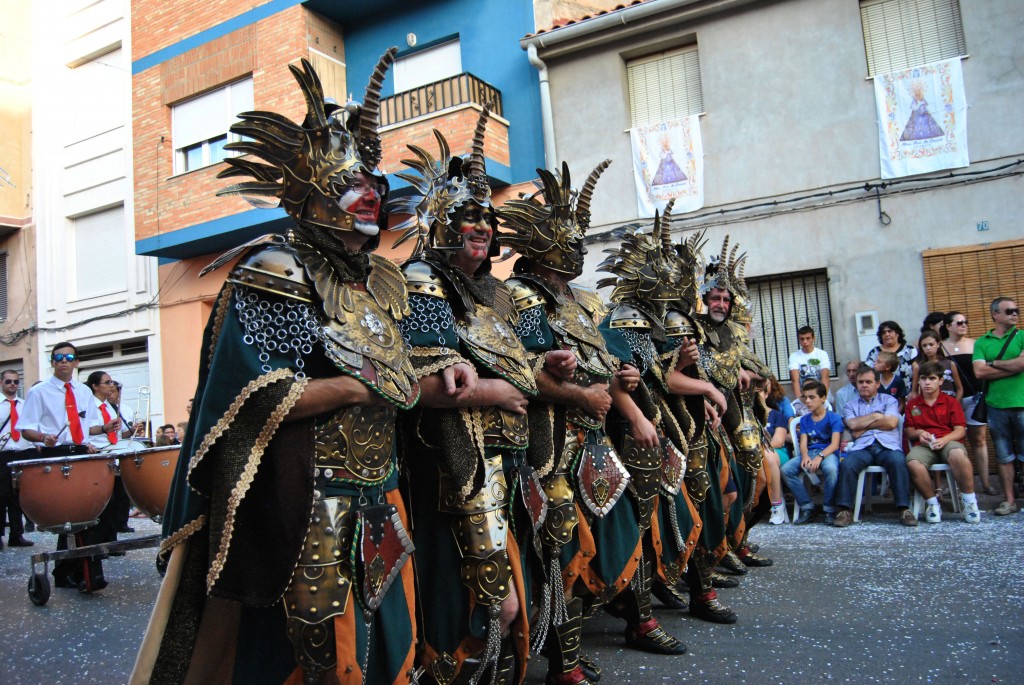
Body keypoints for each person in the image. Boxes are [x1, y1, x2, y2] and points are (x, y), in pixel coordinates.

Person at [132, 52, 422, 685]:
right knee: (311, 653)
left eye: (372, 183)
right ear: (312, 195)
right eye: (351, 185)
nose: (370, 194)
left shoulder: (380, 282)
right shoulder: (276, 271)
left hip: (379, 487)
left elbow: (406, 371)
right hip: (306, 496)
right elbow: (251, 394)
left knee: (384, 634)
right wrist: (351, 385)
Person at [392, 107, 567, 682]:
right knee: (474, 600)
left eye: (487, 218)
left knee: (518, 591)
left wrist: (551, 363)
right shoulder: (422, 277)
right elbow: (435, 372)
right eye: (467, 217)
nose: (482, 227)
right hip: (455, 469)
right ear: (441, 224)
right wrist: (491, 389)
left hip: (510, 459)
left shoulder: (498, 290)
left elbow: (519, 357)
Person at [18, 342, 106, 590]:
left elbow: (88, 427)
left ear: (76, 362)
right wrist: (42, 437)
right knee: (68, 513)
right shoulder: (40, 392)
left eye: (69, 357)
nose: (64, 361)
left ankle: (75, 571)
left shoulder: (84, 392)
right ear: (53, 362)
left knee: (84, 512)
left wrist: (95, 437)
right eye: (59, 357)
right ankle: (73, 571)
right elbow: (26, 429)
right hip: (55, 452)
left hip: (79, 452)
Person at [832, 365, 917, 528]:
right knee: (848, 465)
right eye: (860, 382)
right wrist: (877, 416)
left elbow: (892, 422)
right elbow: (852, 424)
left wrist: (864, 426)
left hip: (887, 446)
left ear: (877, 384)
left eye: (868, 382)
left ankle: (904, 509)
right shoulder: (850, 405)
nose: (864, 385)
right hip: (863, 447)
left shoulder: (889, 400)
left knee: (898, 462)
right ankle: (844, 511)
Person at [904, 361, 981, 524]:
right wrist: (920, 433)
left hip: (948, 440)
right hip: (924, 445)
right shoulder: (912, 404)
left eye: (932, 378)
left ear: (940, 380)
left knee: (958, 455)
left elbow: (960, 429)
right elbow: (909, 431)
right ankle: (932, 503)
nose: (927, 382)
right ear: (919, 381)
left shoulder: (951, 402)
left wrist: (944, 440)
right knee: (912, 462)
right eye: (923, 378)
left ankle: (969, 501)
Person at [973, 297, 1024, 516]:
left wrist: (992, 363)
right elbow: (979, 372)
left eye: (1017, 311)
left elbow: (1023, 363)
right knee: (1003, 456)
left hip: (1022, 403)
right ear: (995, 314)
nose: (1015, 314)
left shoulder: (1022, 336)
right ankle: (1009, 501)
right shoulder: (982, 341)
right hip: (996, 405)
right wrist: (1013, 366)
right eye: (1010, 310)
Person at [943, 311, 997, 495]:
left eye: (965, 321)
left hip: (975, 397)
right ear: (948, 326)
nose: (964, 325)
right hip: (950, 402)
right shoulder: (941, 347)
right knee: (956, 443)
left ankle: (986, 483)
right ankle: (960, 486)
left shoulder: (976, 344)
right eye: (959, 322)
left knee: (979, 439)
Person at [782, 380, 842, 525]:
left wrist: (820, 457)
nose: (807, 401)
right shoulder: (804, 420)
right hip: (810, 452)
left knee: (832, 469)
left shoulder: (834, 418)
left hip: (827, 453)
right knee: (786, 470)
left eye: (812, 397)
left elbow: (835, 444)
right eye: (805, 397)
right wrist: (805, 456)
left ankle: (829, 509)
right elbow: (803, 442)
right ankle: (807, 507)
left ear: (823, 398)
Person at [86, 371, 135, 539]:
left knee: (118, 498)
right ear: (95, 386)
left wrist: (133, 431)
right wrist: (101, 430)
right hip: (98, 454)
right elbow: (84, 430)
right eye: (107, 382)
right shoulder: (87, 405)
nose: (111, 385)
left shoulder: (111, 407)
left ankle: (111, 539)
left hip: (113, 454)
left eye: (112, 382)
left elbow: (120, 434)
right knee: (104, 499)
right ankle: (99, 538)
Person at [0, 369, 34, 548]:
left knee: (17, 497)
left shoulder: (24, 405)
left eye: (15, 381)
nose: (12, 384)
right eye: (8, 382)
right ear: (1, 383)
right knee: (0, 496)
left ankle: (16, 535)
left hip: (21, 454)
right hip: (2, 454)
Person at [761, 379, 790, 524]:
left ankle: (776, 504)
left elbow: (778, 441)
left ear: (766, 394)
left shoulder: (776, 415)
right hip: (755, 454)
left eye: (759, 392)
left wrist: (760, 449)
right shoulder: (744, 416)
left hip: (777, 452)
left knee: (769, 457)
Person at [910, 331, 962, 401]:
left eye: (931, 344)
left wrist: (955, 405)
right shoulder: (918, 366)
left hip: (949, 403)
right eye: (924, 345)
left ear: (938, 344)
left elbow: (959, 389)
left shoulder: (949, 364)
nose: (928, 348)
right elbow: (914, 391)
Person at [788, 326, 831, 400]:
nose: (805, 341)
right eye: (802, 339)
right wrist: (800, 399)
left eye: (808, 338)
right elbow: (795, 380)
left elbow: (825, 377)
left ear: (813, 338)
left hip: (821, 395)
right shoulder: (794, 356)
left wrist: (823, 398)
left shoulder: (822, 354)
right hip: (804, 396)